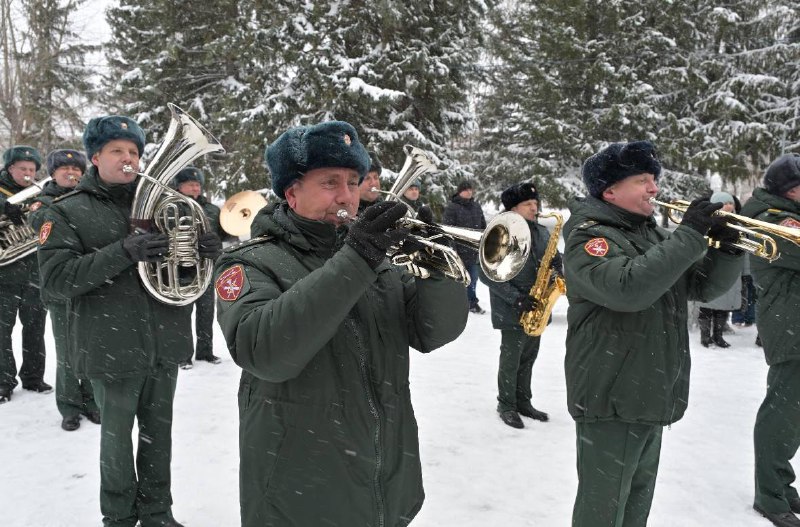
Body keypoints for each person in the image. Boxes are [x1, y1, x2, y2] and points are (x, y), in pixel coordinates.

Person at [214, 120, 468, 527]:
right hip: (301, 493)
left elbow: (432, 331)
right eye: (330, 182)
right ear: (291, 192)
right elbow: (263, 351)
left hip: (387, 480)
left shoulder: (376, 259)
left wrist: (439, 270)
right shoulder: (250, 262)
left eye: (353, 181)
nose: (347, 196)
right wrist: (357, 259)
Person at [38, 115, 221, 527]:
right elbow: (57, 281)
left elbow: (181, 272)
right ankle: (118, 516)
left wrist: (206, 253)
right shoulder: (67, 211)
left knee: (160, 438)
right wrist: (123, 252)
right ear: (95, 157)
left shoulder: (162, 204)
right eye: (117, 151)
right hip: (110, 343)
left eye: (134, 152)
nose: (128, 159)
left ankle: (159, 512)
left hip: (164, 339)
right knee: (116, 440)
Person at [563, 141, 743, 527]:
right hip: (612, 394)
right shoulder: (589, 237)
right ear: (609, 190)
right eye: (642, 180)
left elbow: (701, 287)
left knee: (634, 507)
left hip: (647, 391)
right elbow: (628, 289)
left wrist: (727, 251)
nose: (654, 189)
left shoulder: (650, 234)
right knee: (603, 511)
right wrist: (690, 234)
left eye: (654, 179)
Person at [741, 153, 800, 527]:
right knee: (782, 413)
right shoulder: (775, 222)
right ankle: (769, 494)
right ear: (790, 190)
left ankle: (781, 482)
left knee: (792, 414)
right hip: (791, 327)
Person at [479, 182, 561, 429]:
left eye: (536, 203)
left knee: (528, 358)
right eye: (528, 204)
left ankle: (524, 401)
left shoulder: (542, 231)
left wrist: (557, 270)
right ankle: (506, 405)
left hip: (536, 306)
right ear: (513, 208)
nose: (535, 208)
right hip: (512, 306)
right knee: (511, 359)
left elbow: (554, 259)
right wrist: (516, 298)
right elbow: (486, 273)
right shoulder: (501, 232)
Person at [28, 149, 100, 430]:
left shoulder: (92, 197)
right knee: (67, 352)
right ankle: (69, 406)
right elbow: (41, 222)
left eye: (76, 168)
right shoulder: (42, 202)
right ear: (53, 173)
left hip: (90, 285)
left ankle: (92, 401)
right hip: (61, 288)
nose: (71, 172)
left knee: (93, 349)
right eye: (64, 168)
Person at [0, 145, 51, 403]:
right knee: (1, 331)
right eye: (23, 169)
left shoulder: (38, 194)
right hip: (4, 276)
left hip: (34, 273)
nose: (29, 174)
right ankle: (3, 382)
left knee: (35, 328)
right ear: (10, 169)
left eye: (32, 169)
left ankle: (33, 377)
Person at [171, 166, 226, 369]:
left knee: (206, 312)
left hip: (206, 269)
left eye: (197, 185)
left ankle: (205, 352)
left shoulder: (212, 209)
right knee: (183, 315)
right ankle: (183, 356)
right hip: (182, 269)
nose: (195, 188)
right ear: (180, 186)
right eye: (189, 184)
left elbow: (224, 234)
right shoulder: (171, 208)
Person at [697, 191, 743, 348]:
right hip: (711, 265)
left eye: (731, 203)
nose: (728, 206)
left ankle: (718, 335)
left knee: (724, 305)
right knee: (707, 303)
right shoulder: (707, 222)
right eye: (724, 203)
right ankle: (705, 336)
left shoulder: (740, 223)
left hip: (730, 268)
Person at [443, 179, 487, 314]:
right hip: (459, 252)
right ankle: (458, 303)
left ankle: (471, 303)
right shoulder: (452, 207)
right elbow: (447, 229)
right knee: (459, 279)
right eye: (465, 190)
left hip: (474, 251)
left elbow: (483, 225)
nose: (469, 192)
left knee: (473, 278)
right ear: (460, 192)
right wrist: (453, 251)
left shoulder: (476, 206)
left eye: (470, 189)